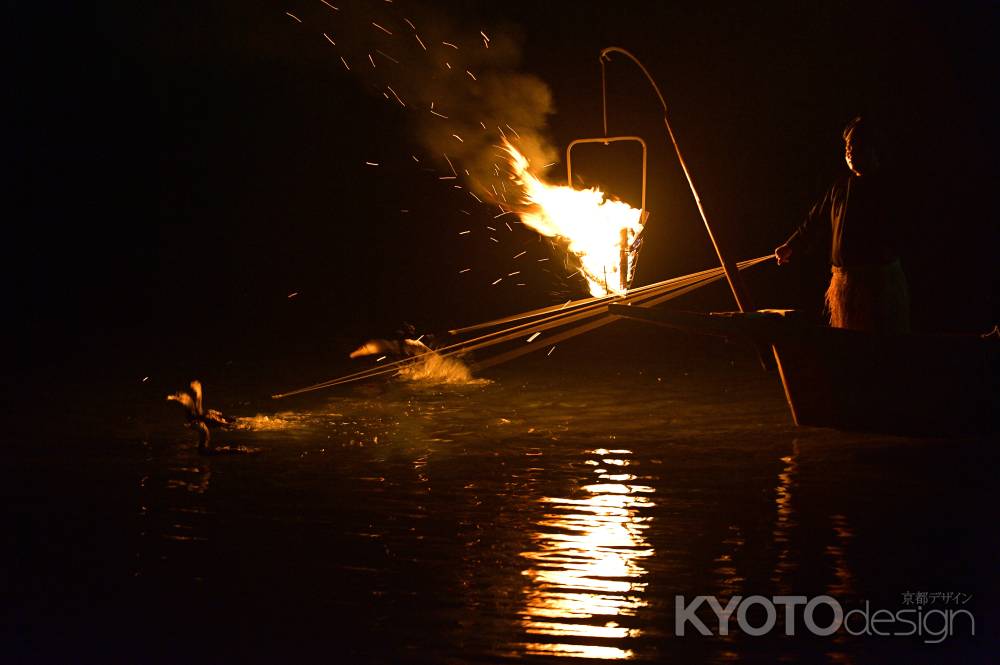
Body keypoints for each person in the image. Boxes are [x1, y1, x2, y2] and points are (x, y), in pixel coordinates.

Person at [775, 116, 910, 333]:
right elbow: (814, 220)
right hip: (845, 280)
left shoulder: (886, 188)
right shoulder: (839, 187)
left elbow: (900, 231)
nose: (849, 151)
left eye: (856, 145)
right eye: (847, 146)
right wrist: (790, 246)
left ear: (873, 150)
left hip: (877, 285)